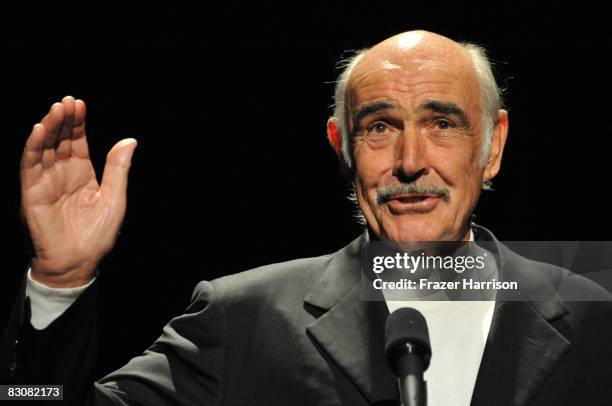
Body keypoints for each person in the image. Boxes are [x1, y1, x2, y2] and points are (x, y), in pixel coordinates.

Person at [2, 30, 612, 405]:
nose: (409, 162)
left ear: (494, 146)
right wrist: (60, 281)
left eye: (442, 123)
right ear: (341, 148)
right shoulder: (243, 317)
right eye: (379, 128)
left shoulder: (594, 320)